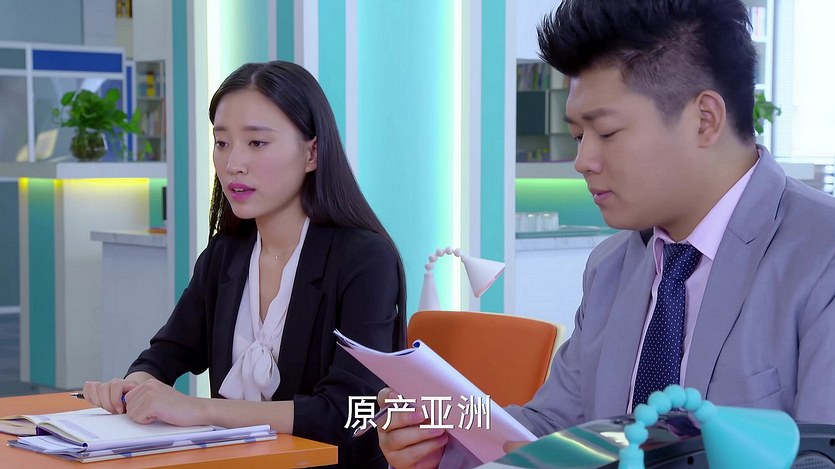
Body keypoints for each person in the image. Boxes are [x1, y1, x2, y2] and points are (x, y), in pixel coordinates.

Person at [377, 0, 835, 467]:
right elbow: (552, 430)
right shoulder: (612, 266)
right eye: (579, 136)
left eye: (607, 133)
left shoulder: (822, 257)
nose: (583, 161)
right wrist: (439, 445)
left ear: (705, 119)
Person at [82, 60, 407, 468]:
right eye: (222, 143)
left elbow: (349, 413)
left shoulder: (365, 259)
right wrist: (134, 386)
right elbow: (165, 353)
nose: (233, 163)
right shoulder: (226, 254)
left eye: (256, 143)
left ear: (312, 153)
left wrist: (201, 410)